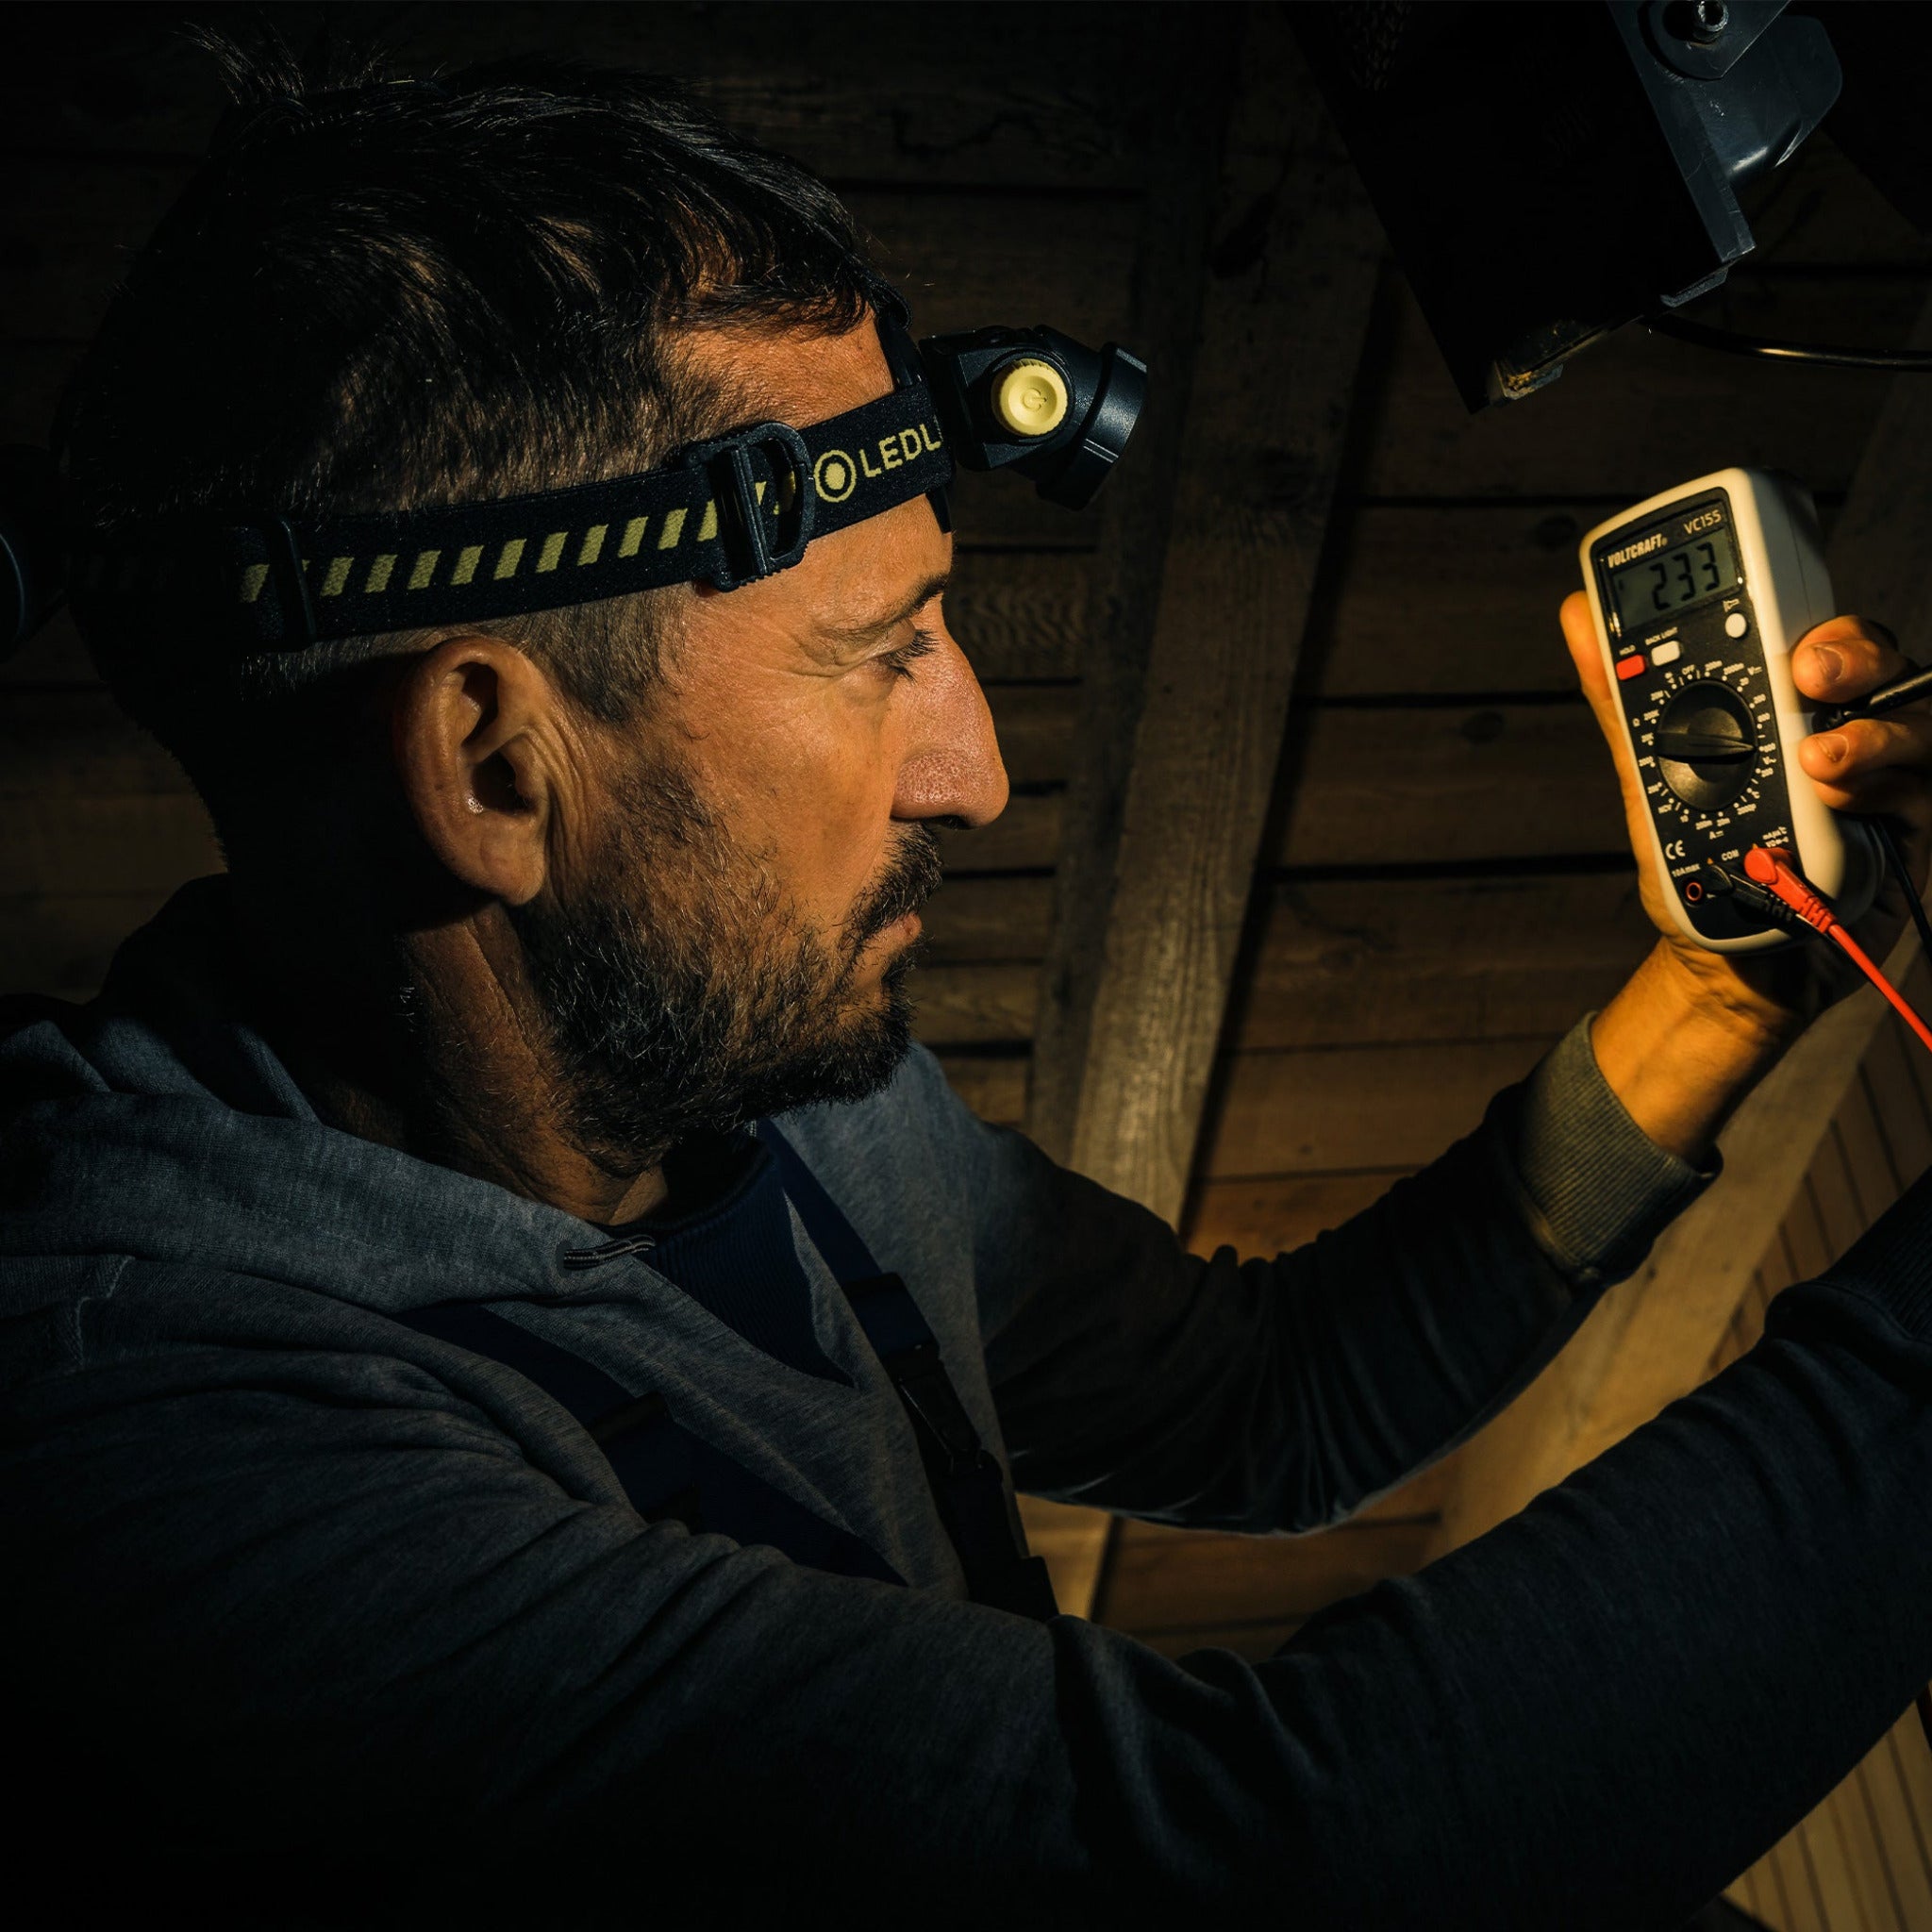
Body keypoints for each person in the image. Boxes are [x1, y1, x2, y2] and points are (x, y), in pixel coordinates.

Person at [4, 35, 1932, 1930]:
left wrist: (1720, 994)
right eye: (881, 650)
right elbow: (1277, 1867)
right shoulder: (155, 1444)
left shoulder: (755, 1086)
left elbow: (1267, 1404)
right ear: (497, 770)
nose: (979, 774)